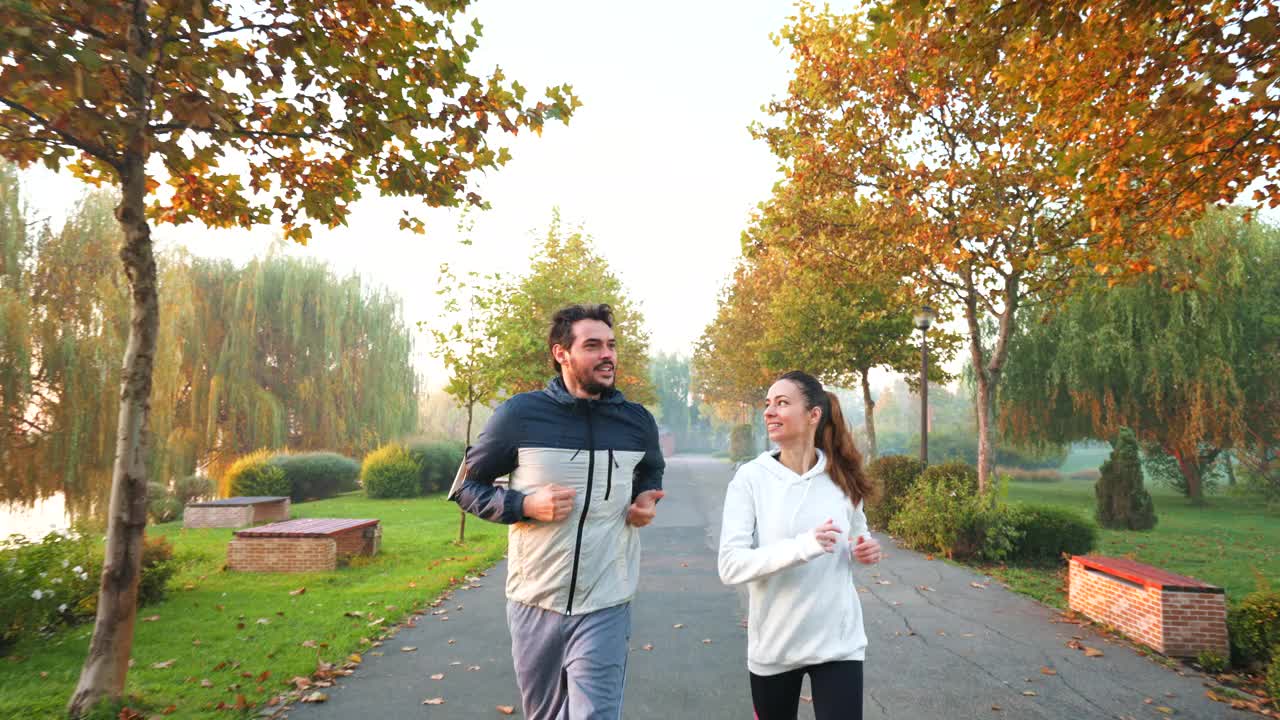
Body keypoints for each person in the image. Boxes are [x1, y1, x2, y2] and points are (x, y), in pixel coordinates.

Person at [450, 303, 666, 720]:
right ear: (561, 353)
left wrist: (644, 498)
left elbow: (650, 469)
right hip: (535, 601)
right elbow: (465, 488)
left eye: (611, 345)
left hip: (607, 598)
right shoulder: (519, 415)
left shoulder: (636, 422)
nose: (608, 355)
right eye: (592, 346)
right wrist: (524, 504)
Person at [718, 370, 882, 720]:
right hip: (776, 646)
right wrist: (803, 546)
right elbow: (731, 566)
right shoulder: (751, 478)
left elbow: (857, 532)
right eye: (767, 404)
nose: (769, 412)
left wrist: (863, 547)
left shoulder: (841, 475)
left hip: (839, 642)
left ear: (813, 415)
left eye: (782, 403)